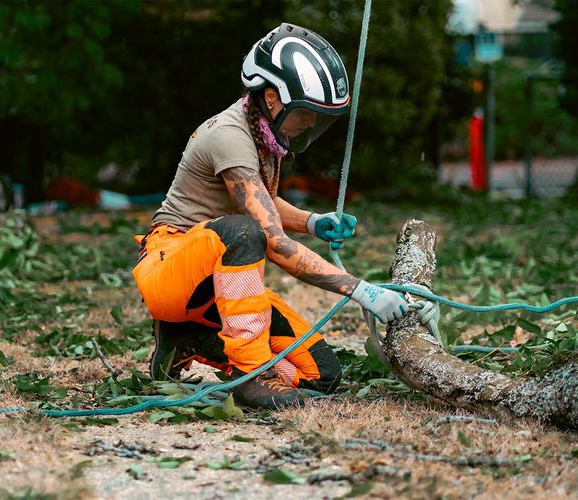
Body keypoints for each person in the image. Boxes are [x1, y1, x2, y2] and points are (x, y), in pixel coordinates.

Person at [131, 23, 413, 409]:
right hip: (170, 270)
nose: (311, 123)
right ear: (272, 97)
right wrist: (361, 291)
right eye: (307, 113)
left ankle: (189, 338)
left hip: (215, 285)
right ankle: (251, 375)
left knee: (322, 374)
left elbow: (263, 203)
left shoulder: (259, 132)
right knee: (246, 233)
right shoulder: (229, 136)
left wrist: (313, 221)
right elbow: (271, 239)